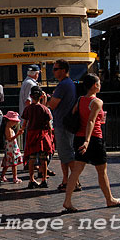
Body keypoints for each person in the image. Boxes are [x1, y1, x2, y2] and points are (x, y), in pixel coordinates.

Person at [62, 74, 120, 212]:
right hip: (94, 139)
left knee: (76, 171)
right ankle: (110, 199)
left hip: (78, 137)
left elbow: (75, 114)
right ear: (95, 85)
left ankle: (67, 201)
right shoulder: (97, 102)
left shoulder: (80, 100)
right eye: (99, 83)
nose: (100, 84)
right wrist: (87, 141)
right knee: (102, 171)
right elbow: (91, 121)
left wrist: (83, 139)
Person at [47, 59, 80, 192]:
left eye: (56, 69)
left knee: (68, 155)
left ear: (64, 70)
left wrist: (47, 100)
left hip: (63, 124)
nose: (53, 71)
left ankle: (75, 182)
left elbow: (53, 104)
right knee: (64, 155)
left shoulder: (62, 85)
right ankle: (66, 180)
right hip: (65, 123)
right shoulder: (69, 84)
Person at [21, 86, 54, 189]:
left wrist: (21, 130)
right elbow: (49, 125)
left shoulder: (28, 109)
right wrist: (50, 136)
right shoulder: (45, 109)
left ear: (31, 96)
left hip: (31, 134)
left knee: (32, 158)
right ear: (40, 96)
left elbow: (25, 123)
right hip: (42, 134)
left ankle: (31, 179)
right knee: (43, 158)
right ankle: (44, 179)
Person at [0, 111, 24, 183]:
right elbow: (10, 138)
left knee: (8, 164)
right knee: (14, 164)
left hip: (11, 148)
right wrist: (18, 134)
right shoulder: (8, 129)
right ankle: (14, 177)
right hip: (11, 149)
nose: (15, 123)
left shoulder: (8, 128)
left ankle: (2, 176)